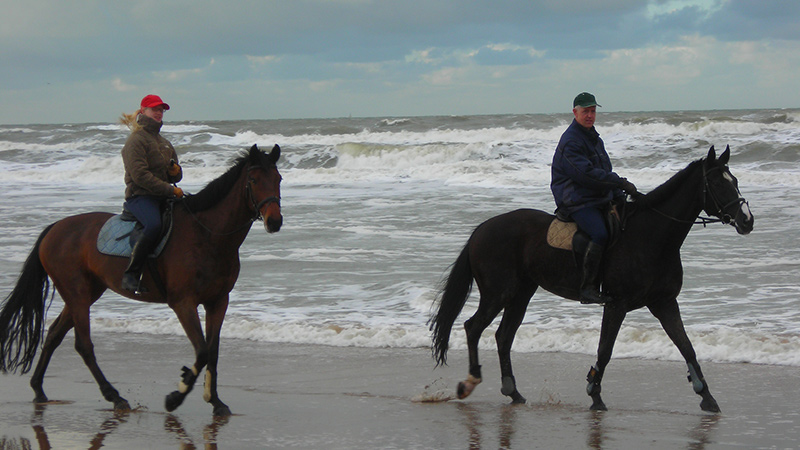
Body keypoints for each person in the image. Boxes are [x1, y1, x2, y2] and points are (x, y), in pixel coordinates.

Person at [550, 92, 638, 304]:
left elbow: (604, 170)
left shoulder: (593, 138)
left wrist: (620, 195)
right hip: (576, 199)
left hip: (596, 196)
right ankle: (587, 288)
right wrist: (619, 182)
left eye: (592, 111)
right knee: (600, 233)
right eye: (585, 111)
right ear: (575, 112)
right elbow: (585, 175)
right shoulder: (571, 141)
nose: (589, 115)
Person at [119, 94, 183, 293]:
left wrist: (176, 173)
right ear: (143, 111)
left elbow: (175, 176)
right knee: (154, 225)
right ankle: (131, 275)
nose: (158, 113)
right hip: (140, 197)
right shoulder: (136, 141)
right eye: (154, 109)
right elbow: (140, 176)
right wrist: (170, 189)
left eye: (161, 110)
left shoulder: (164, 143)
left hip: (163, 196)